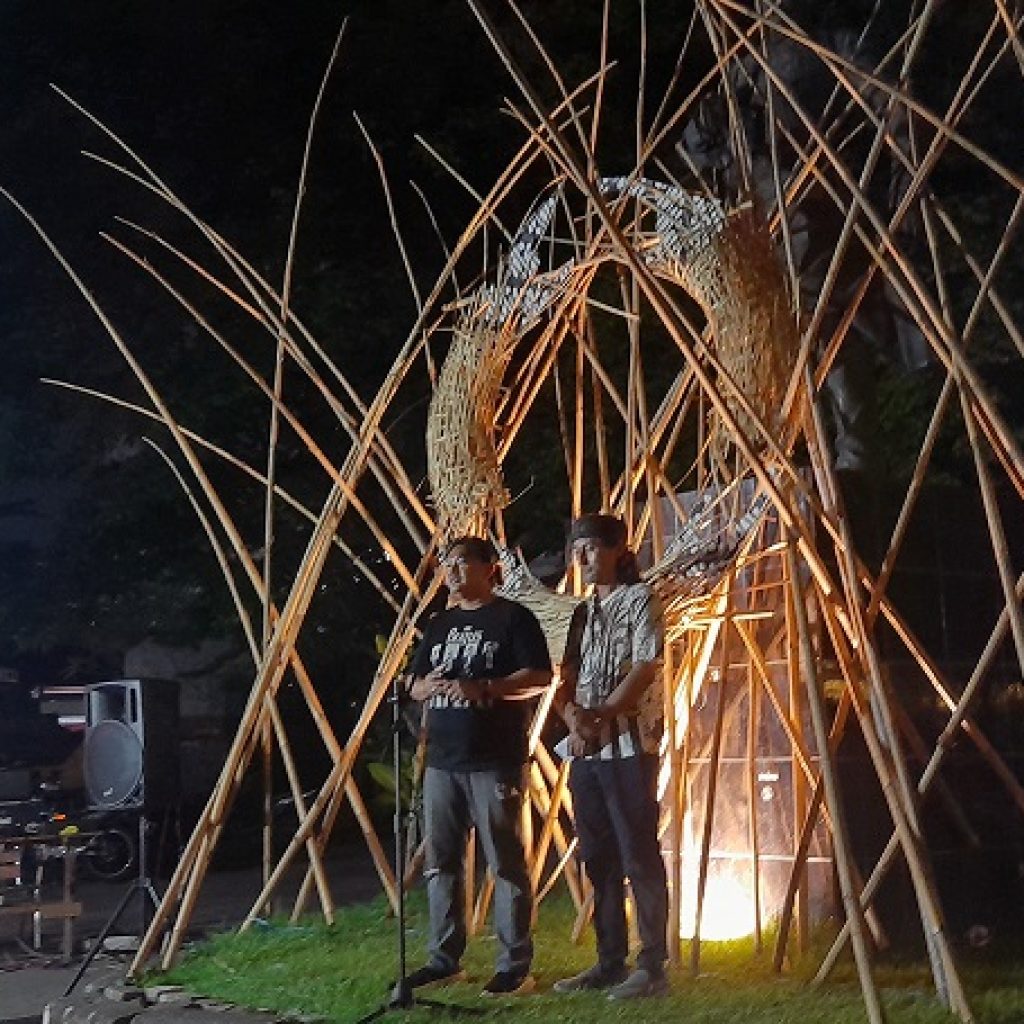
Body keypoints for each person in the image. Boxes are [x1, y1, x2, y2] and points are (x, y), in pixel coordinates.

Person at [404, 536, 552, 997]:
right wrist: (423, 687)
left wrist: (485, 686)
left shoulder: (513, 618)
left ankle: (514, 965)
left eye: (461, 561)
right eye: (446, 563)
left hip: (495, 757)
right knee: (442, 861)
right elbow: (412, 680)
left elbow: (541, 676)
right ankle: (444, 959)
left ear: (489, 567)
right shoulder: (440, 623)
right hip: (443, 760)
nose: (450, 570)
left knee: (505, 860)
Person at [552, 513, 670, 1000]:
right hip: (586, 747)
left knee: (637, 851)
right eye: (577, 549)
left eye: (594, 547)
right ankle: (608, 960)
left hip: (626, 742)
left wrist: (601, 715)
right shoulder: (579, 612)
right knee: (597, 854)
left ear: (620, 549)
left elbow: (645, 664)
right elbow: (562, 673)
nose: (584, 558)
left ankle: (652, 965)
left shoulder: (639, 599)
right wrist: (573, 716)